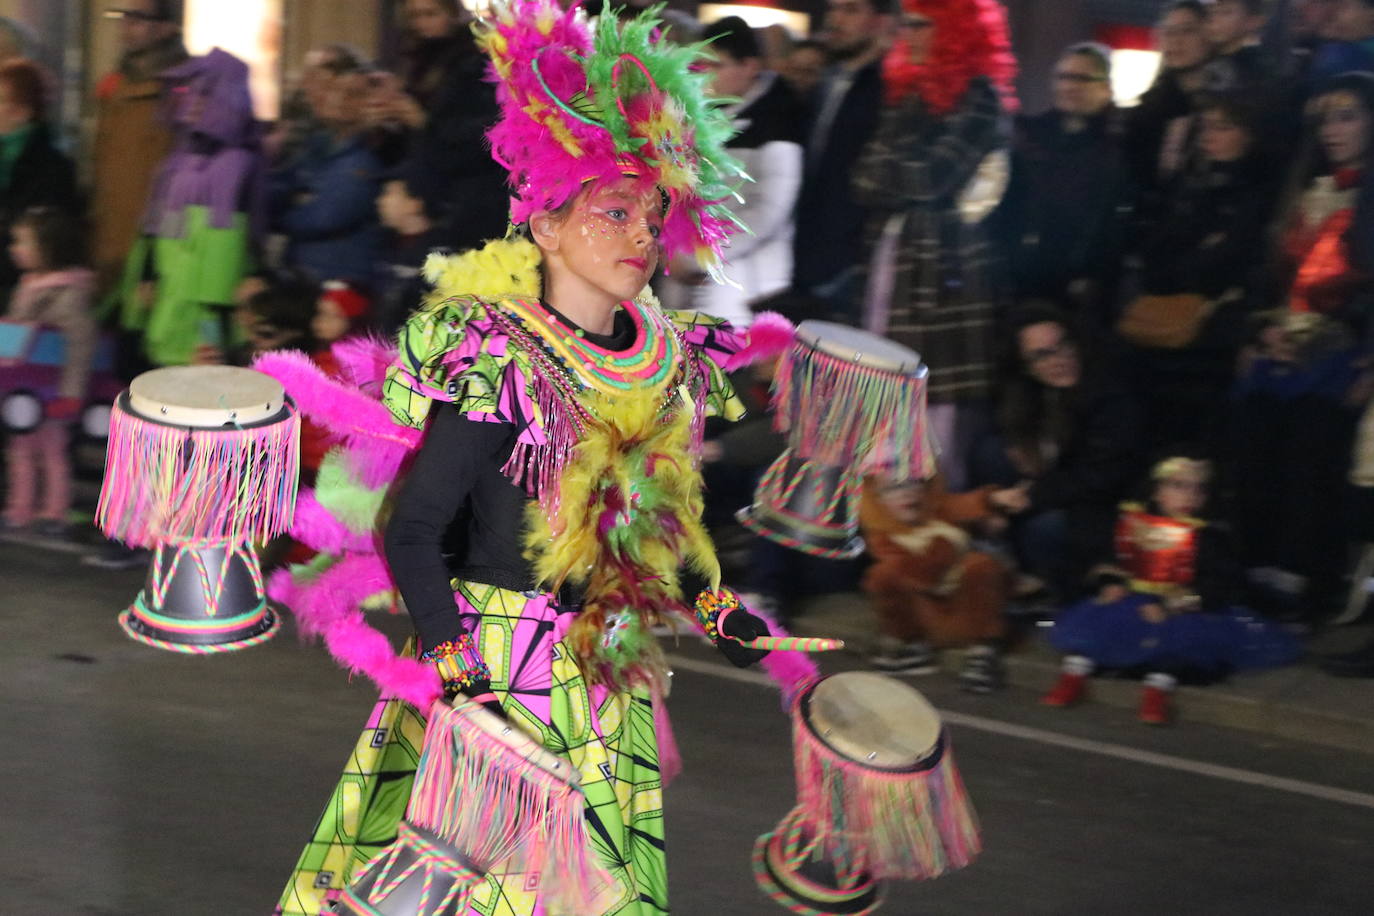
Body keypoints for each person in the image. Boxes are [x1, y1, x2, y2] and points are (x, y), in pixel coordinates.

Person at [273, 3, 787, 914]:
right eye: (614, 211)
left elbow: (665, 520)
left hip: (607, 683)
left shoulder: (664, 358)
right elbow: (416, 528)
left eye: (652, 213)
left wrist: (716, 607)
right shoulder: (499, 356)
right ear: (545, 228)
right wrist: (449, 653)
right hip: (497, 670)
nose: (640, 234)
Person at [853, 0, 1016, 491]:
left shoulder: (980, 98)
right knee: (883, 392)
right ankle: (887, 525)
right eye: (909, 24)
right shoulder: (908, 94)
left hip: (944, 272)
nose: (912, 34)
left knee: (937, 411)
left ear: (956, 34)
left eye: (924, 25)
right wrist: (901, 173)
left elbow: (929, 177)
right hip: (896, 258)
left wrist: (894, 173)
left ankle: (935, 529)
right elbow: (861, 178)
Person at [1042, 457, 1299, 725]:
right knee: (1095, 629)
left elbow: (1219, 582)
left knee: (1180, 645)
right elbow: (1111, 559)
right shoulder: (1133, 526)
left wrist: (1173, 605)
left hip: (1180, 607)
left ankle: (1157, 691)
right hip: (1132, 601)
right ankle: (1073, 676)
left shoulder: (1207, 538)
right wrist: (1110, 583)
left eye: (1198, 489)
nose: (1189, 495)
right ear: (1157, 491)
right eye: (1179, 486)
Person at [1126, 90, 1281, 450]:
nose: (1210, 136)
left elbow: (1235, 257)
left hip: (1217, 328)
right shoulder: (1193, 182)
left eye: (1222, 127)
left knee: (1199, 429)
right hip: (1171, 319)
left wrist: (1203, 252)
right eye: (1206, 127)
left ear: (1249, 133)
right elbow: (1158, 253)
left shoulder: (1260, 191)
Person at [974, 305, 1145, 601]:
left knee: (1046, 528)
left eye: (1063, 346)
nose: (1059, 359)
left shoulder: (1110, 397)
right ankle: (1000, 556)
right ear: (1026, 365)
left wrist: (1032, 496)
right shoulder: (1024, 394)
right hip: (1048, 488)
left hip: (1096, 505)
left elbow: (1101, 477)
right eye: (1042, 355)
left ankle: (1057, 592)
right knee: (990, 451)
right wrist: (999, 502)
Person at [113, 47, 262, 368]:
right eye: (188, 90)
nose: (190, 101)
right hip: (168, 302)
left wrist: (212, 334)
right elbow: (162, 227)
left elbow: (224, 265)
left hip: (195, 319)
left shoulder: (233, 165)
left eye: (203, 92)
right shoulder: (181, 159)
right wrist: (149, 273)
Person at [995, 41, 1134, 326]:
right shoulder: (1029, 137)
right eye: (1063, 77)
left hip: (1081, 289)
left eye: (1081, 78)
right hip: (1021, 275)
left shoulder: (1122, 147)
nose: (1069, 86)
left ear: (1105, 87)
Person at [683, 16, 801, 326]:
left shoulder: (777, 119)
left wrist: (701, 256)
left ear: (750, 66)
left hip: (748, 290)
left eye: (715, 66)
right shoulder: (695, 117)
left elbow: (768, 211)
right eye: (697, 66)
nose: (702, 77)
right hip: (690, 278)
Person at [367, 0, 509, 249]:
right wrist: (389, 123)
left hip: (465, 194)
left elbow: (485, 132)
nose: (423, 23)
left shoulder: (475, 60)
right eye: (415, 16)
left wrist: (424, 122)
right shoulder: (415, 62)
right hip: (425, 186)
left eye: (430, 14)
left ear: (452, 14)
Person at [791, 0, 895, 319]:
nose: (836, 19)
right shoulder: (823, 82)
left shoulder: (889, 89)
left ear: (879, 22)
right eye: (834, 9)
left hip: (853, 265)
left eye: (851, 10)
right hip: (804, 256)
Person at [859, 474, 1010, 692]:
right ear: (878, 500)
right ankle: (911, 645)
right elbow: (920, 574)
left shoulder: (939, 511)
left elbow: (966, 503)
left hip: (965, 612)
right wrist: (946, 544)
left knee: (981, 565)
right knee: (882, 575)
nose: (906, 493)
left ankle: (983, 652)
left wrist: (995, 498)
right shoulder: (882, 538)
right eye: (893, 488)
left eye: (913, 483)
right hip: (925, 615)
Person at [1, 207, 96, 540]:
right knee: (21, 449)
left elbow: (81, 345)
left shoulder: (67, 294)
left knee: (52, 452)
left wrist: (71, 392)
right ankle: (20, 508)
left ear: (49, 247)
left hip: (52, 390)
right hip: (23, 388)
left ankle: (54, 511)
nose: (15, 248)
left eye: (22, 242)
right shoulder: (27, 286)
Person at [91, 1, 187, 298]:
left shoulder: (183, 87)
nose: (126, 26)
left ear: (168, 27)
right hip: (107, 243)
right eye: (123, 17)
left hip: (153, 247)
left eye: (138, 18)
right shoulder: (115, 86)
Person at [271, 65, 383, 288]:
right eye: (335, 90)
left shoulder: (364, 159)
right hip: (300, 272)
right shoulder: (317, 147)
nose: (339, 99)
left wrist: (281, 215)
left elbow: (323, 217)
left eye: (353, 95)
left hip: (337, 279)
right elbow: (280, 186)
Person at [0, 59, 78, 299]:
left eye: (1, 101)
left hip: (24, 288)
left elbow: (48, 235)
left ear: (23, 111)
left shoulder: (52, 166)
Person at [1127, 1, 1213, 204]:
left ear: (1208, 35)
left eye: (1187, 31)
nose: (1176, 40)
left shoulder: (1222, 104)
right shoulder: (1148, 108)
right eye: (1168, 32)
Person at [373, 161, 448, 336]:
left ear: (414, 203)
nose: (380, 201)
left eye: (389, 194)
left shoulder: (441, 257)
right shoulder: (387, 247)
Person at [1202, 0, 1276, 90]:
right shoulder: (1203, 57)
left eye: (1225, 12)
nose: (1213, 19)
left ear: (1253, 21)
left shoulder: (1257, 66)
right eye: (1211, 12)